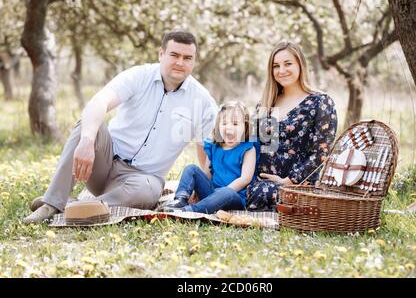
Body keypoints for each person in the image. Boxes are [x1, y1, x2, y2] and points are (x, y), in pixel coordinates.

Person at [23, 30, 218, 224]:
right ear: (161, 54)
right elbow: (99, 102)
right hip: (103, 164)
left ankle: (73, 208)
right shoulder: (138, 76)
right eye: (174, 55)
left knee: (146, 191)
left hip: (141, 180)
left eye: (187, 58)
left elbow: (207, 154)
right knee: (89, 125)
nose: (180, 63)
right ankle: (51, 204)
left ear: (194, 61)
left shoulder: (202, 102)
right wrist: (87, 141)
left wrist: (201, 188)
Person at [246, 40, 338, 211]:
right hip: (257, 181)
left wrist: (289, 181)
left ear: (300, 65)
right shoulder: (265, 103)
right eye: (276, 66)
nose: (281, 71)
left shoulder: (320, 102)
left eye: (288, 64)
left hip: (296, 186)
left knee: (263, 193)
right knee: (226, 188)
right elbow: (250, 144)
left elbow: (322, 153)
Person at [161, 101, 258, 214]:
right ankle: (180, 200)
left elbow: (245, 178)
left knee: (226, 193)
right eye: (225, 123)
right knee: (191, 169)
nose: (229, 127)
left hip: (233, 196)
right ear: (218, 126)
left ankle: (190, 211)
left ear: (245, 127)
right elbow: (207, 174)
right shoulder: (214, 146)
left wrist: (223, 191)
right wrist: (196, 190)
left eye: (235, 124)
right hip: (211, 193)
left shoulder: (248, 149)